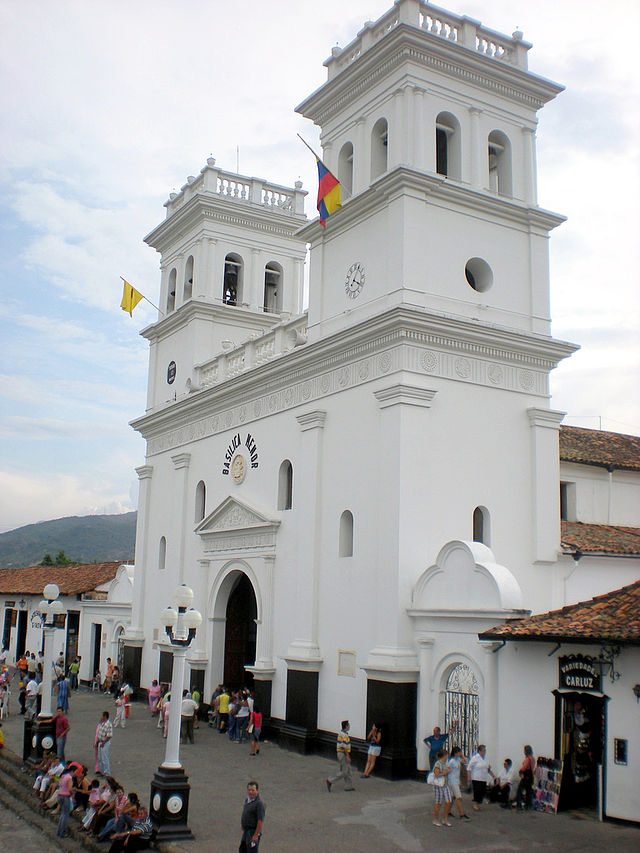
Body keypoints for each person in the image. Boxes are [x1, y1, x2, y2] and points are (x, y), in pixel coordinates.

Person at [326, 720, 355, 792]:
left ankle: (349, 786)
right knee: (344, 771)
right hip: (343, 754)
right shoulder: (344, 735)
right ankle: (330, 780)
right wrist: (348, 756)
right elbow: (344, 746)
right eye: (348, 725)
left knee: (348, 770)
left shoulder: (341, 733)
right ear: (346, 726)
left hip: (341, 753)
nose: (349, 726)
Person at [239, 780, 265, 852]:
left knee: (251, 851)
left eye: (253, 790)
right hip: (246, 831)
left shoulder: (259, 803)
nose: (250, 792)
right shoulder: (248, 800)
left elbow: (260, 820)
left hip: (253, 832)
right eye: (249, 790)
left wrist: (256, 835)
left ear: (257, 791)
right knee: (242, 850)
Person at [467, 744, 495, 811]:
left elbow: (488, 768)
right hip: (476, 778)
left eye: (485, 751)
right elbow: (469, 768)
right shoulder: (475, 758)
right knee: (477, 791)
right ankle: (475, 804)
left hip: (483, 778)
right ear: (479, 751)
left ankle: (478, 803)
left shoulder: (486, 759)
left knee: (482, 792)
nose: (484, 752)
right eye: (483, 751)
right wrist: (469, 777)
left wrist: (493, 776)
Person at [447, 746, 470, 819]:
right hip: (452, 781)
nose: (460, 753)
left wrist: (462, 755)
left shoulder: (458, 759)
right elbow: (447, 770)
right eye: (459, 752)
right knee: (458, 797)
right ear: (455, 753)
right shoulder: (451, 761)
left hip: (456, 781)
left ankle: (448, 811)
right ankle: (461, 814)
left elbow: (466, 761)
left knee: (452, 797)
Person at [432, 748, 453, 827]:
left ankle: (445, 819)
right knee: (438, 803)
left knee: (448, 801)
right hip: (438, 785)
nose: (448, 756)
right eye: (446, 755)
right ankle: (436, 819)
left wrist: (447, 770)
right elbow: (436, 774)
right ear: (443, 756)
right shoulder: (438, 764)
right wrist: (445, 772)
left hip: (445, 784)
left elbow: (447, 769)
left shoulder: (445, 763)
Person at [514, 745, 536, 810]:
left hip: (526, 776)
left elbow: (524, 768)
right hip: (530, 776)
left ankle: (519, 804)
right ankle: (528, 805)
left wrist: (520, 772)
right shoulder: (533, 758)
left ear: (526, 751)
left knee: (519, 790)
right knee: (529, 791)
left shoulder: (527, 759)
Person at [56, 765, 74, 838]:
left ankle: (59, 831)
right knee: (65, 815)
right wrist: (72, 793)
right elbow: (70, 789)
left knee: (62, 814)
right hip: (65, 796)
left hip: (60, 795)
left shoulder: (63, 776)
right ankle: (62, 832)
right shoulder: (69, 777)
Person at [98, 710, 113, 775]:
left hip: (104, 743)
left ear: (105, 717)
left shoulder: (108, 724)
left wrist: (103, 743)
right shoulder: (103, 723)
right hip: (100, 742)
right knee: (100, 758)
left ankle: (107, 772)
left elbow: (109, 736)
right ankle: (102, 771)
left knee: (105, 758)